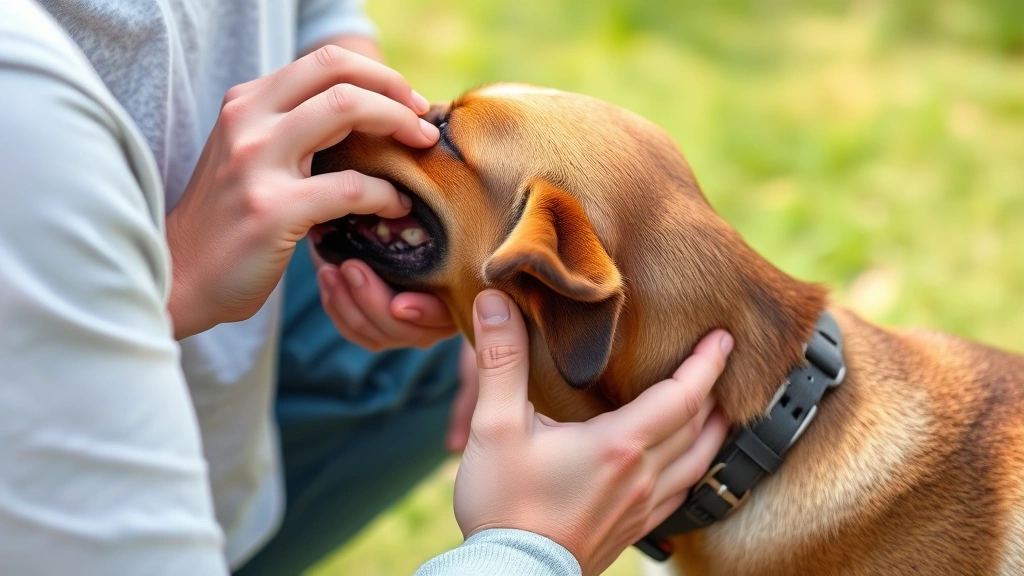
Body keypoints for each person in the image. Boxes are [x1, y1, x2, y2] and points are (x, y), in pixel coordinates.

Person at [0, 1, 729, 575]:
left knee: (426, 358)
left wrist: (347, 110)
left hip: (211, 402)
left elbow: (314, 9)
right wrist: (525, 549)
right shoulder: (19, 95)